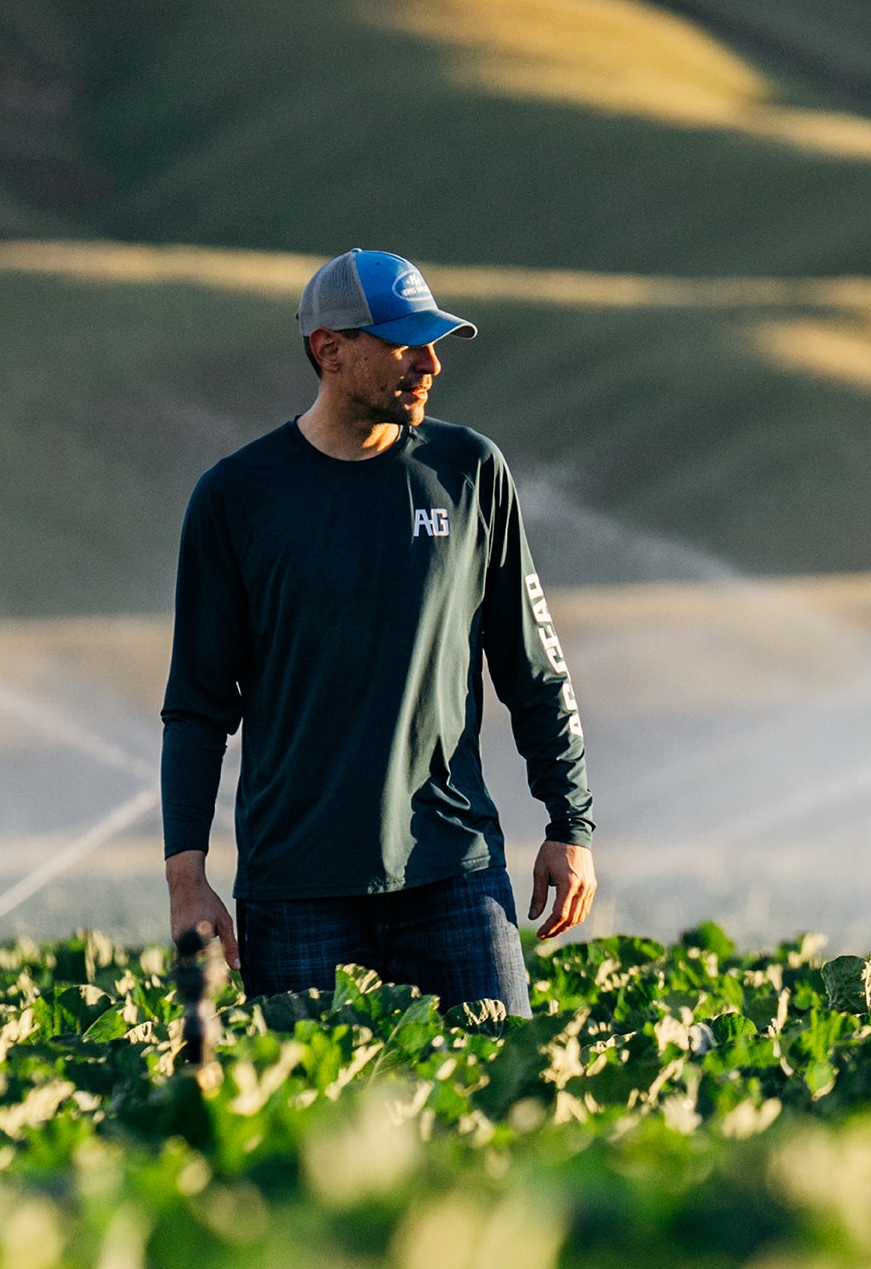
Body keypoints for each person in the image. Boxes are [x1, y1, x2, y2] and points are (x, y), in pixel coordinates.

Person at [159, 248, 596, 1016]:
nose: (430, 363)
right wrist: (186, 880)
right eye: (403, 343)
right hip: (295, 890)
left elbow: (534, 668)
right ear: (329, 349)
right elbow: (197, 707)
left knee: (505, 1084)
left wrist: (571, 823)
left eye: (434, 342)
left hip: (455, 875)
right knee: (305, 1097)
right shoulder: (236, 497)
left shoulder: (469, 471)